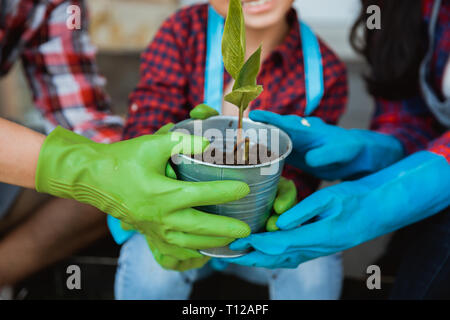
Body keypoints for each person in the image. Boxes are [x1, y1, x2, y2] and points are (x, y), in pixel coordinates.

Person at [0, 0, 252, 287]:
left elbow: (78, 112)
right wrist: (87, 169)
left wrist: (130, 164)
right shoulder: (182, 32)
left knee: (100, 197)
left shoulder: (54, 6)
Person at [114, 0, 348, 300]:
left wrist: (280, 195)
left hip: (261, 233)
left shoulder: (323, 70)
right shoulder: (182, 34)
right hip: (179, 223)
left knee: (315, 264)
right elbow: (143, 133)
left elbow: (302, 175)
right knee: (152, 272)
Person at [226, 0, 450, 299]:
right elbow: (409, 111)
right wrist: (376, 149)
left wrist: (387, 199)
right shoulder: (395, 11)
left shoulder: (320, 65)